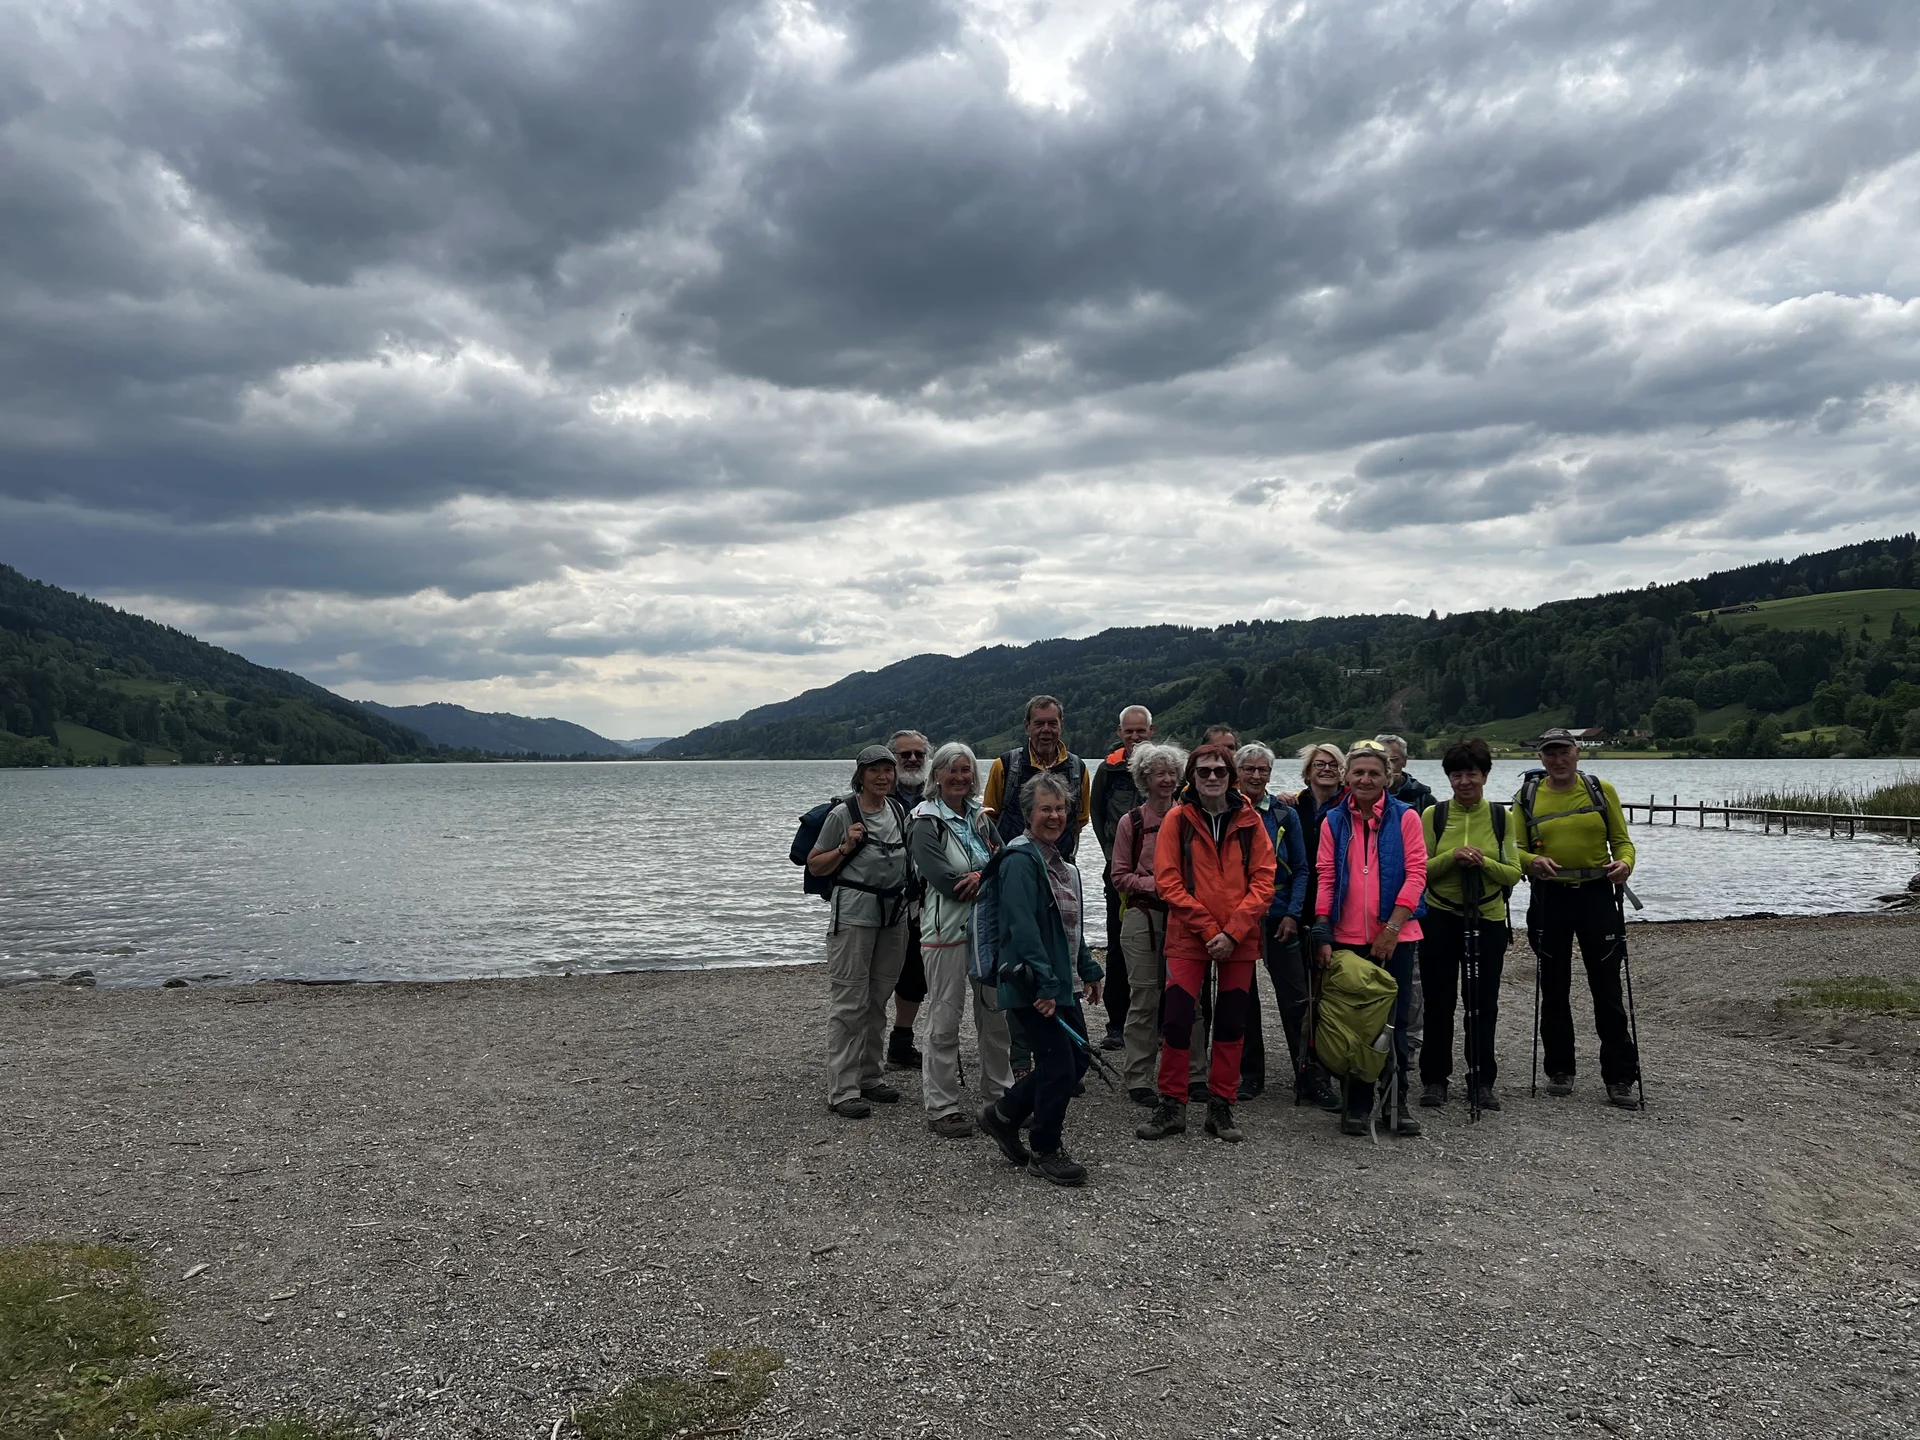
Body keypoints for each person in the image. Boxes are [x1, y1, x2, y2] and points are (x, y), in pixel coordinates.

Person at [1136, 744, 1276, 1145]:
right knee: (1178, 1021)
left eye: (1218, 771)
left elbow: (1264, 880)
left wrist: (1232, 932)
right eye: (1203, 772)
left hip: (1238, 940)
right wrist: (1208, 928)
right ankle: (1172, 1104)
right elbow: (1168, 881)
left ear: (1231, 776)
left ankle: (1220, 1104)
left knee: (1232, 1024)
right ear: (1192, 777)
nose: (1211, 778)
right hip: (1189, 937)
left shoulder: (1251, 822)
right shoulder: (1176, 821)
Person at [976, 772, 1105, 1187]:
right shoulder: (1019, 861)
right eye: (1045, 808)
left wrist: (1087, 969)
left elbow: (1069, 928)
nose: (1054, 815)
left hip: (1058, 981)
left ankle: (1003, 1114)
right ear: (1027, 813)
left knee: (1077, 1059)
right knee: (1057, 1065)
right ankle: (1046, 1149)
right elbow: (1022, 927)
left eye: (1060, 808)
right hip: (1031, 982)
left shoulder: (1061, 865)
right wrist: (1046, 986)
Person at [1513, 728, 1641, 1107]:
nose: (1557, 759)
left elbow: (1622, 841)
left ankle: (1619, 1078)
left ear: (1577, 753)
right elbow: (1514, 848)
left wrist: (1625, 865)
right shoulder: (1527, 797)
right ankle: (1559, 1070)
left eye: (1563, 751)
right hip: (1550, 896)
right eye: (1549, 753)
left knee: (1607, 988)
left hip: (1597, 895)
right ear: (1541, 758)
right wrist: (1531, 861)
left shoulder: (1601, 790)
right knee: (1554, 988)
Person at [1313, 739, 1427, 1138]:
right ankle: (1357, 1104)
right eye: (1358, 772)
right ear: (1346, 777)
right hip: (1347, 936)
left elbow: (1417, 875)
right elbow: (1326, 876)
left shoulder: (1406, 817)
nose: (1365, 779)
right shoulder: (1333, 821)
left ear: (1388, 778)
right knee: (1356, 1024)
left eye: (1374, 773)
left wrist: (1392, 928)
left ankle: (1396, 1103)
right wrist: (1323, 930)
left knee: (1394, 1023)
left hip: (1397, 934)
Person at [907, 741, 1013, 1138]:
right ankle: (942, 1106)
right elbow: (946, 883)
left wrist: (980, 878)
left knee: (996, 1018)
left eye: (966, 770)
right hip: (946, 934)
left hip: (988, 933)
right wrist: (979, 878)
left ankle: (999, 1099)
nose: (959, 777)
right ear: (936, 776)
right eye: (950, 769)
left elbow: (1005, 863)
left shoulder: (981, 818)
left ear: (974, 777)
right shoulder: (924, 822)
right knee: (944, 1019)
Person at [808, 745, 914, 1118]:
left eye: (888, 769)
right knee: (850, 1001)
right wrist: (845, 846)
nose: (883, 776)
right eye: (875, 771)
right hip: (853, 916)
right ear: (861, 775)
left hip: (893, 916)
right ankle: (842, 1089)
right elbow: (816, 865)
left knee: (878, 997)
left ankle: (870, 1076)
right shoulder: (843, 813)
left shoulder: (899, 811)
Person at [1418, 737, 1524, 1111]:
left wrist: (1482, 863)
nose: (1464, 781)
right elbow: (1421, 871)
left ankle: (1481, 1081)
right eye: (1457, 774)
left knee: (1482, 1004)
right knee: (1438, 1002)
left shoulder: (1501, 817)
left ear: (1485, 775)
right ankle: (1434, 1080)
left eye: (1472, 773)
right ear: (1448, 778)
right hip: (1440, 916)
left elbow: (1513, 872)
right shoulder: (1434, 815)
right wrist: (1452, 857)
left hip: (1488, 918)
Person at [1232, 743, 1336, 1107]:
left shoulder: (1283, 814)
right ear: (1238, 772)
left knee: (1297, 999)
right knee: (1243, 1000)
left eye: (1263, 770)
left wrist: (1293, 913)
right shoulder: (1224, 811)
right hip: (1239, 918)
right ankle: (1249, 1076)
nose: (1257, 776)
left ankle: (1309, 1078)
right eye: (1250, 770)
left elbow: (1303, 869)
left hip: (1280, 917)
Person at [1109, 741, 1186, 1105]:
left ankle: (1191, 1074)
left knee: (1189, 1000)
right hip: (1143, 917)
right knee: (1144, 998)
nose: (1168, 779)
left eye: (1172, 773)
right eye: (1160, 773)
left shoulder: (1189, 818)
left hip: (1184, 917)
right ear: (1144, 778)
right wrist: (1158, 885)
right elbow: (1119, 876)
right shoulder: (1132, 822)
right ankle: (1138, 1076)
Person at [1089, 705, 1155, 1050]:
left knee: (1159, 946)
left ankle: (1155, 1026)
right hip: (1117, 874)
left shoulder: (1163, 769)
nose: (1134, 737)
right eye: (1128, 731)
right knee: (1117, 946)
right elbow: (1096, 813)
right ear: (1120, 733)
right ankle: (1116, 1025)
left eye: (1140, 731)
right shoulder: (1108, 769)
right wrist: (1111, 855)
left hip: (1158, 877)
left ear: (1151, 731)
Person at [983, 696, 1093, 861]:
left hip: (1061, 865)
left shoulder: (1078, 769)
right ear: (1027, 726)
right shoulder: (1004, 766)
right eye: (1039, 724)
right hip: (1013, 865)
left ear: (1061, 725)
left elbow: (1080, 821)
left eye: (1052, 723)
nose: (1046, 729)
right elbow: (988, 818)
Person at [886, 729, 931, 1070]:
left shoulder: (937, 796)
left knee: (915, 977)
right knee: (877, 976)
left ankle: (901, 1042)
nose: (913, 760)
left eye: (919, 754)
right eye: (906, 755)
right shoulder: (876, 795)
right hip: (885, 901)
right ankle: (865, 1047)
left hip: (924, 903)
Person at [1376, 734, 1436, 811]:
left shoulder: (1423, 799)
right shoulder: (1364, 795)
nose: (1389, 766)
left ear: (1405, 761)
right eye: (1383, 761)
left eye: (1393, 760)